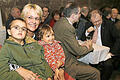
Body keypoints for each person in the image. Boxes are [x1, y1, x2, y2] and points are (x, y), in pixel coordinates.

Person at [53, 3, 100, 80]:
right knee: (95, 73)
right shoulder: (68, 28)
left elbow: (68, 43)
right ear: (73, 15)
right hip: (67, 63)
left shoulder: (60, 22)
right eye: (78, 13)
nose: (80, 15)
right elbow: (78, 51)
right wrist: (90, 46)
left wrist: (82, 45)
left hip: (63, 58)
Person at [85, 9, 120, 80]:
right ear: (91, 20)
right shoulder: (88, 24)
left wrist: (112, 52)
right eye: (95, 22)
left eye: (99, 21)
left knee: (108, 66)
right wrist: (87, 32)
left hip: (106, 52)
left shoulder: (109, 24)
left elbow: (118, 38)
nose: (97, 23)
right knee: (86, 64)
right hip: (93, 51)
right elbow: (83, 39)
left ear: (101, 16)